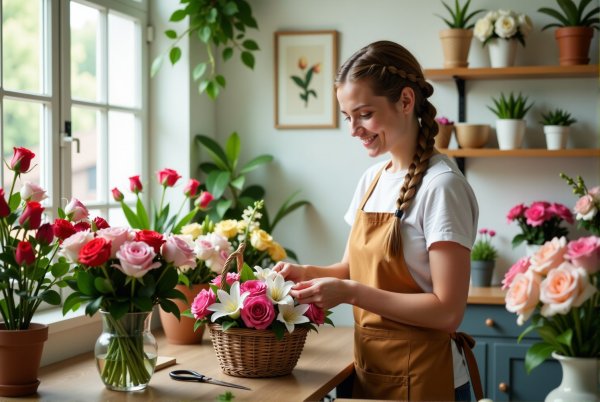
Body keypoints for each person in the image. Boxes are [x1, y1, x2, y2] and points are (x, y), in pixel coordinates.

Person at [273, 40, 481, 401]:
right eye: (347, 116)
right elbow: (352, 269)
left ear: (404, 101)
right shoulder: (372, 180)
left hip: (428, 377)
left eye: (365, 113)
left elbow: (448, 311)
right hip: (371, 370)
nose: (354, 128)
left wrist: (352, 294)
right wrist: (306, 273)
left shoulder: (442, 186)